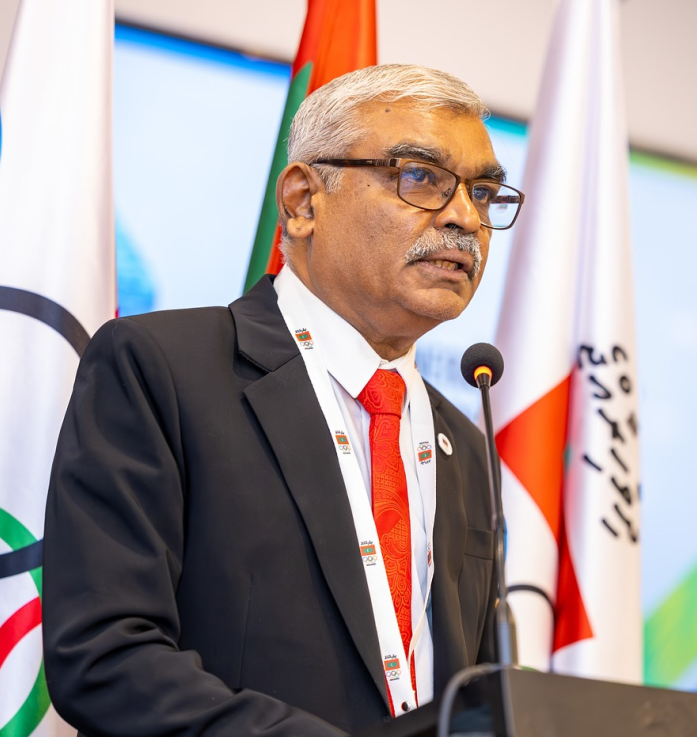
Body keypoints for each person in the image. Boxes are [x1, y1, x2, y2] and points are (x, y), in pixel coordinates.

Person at [42, 64, 526, 737]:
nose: (465, 217)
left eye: (484, 192)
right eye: (420, 176)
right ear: (302, 201)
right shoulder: (163, 370)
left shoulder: (467, 445)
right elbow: (105, 656)